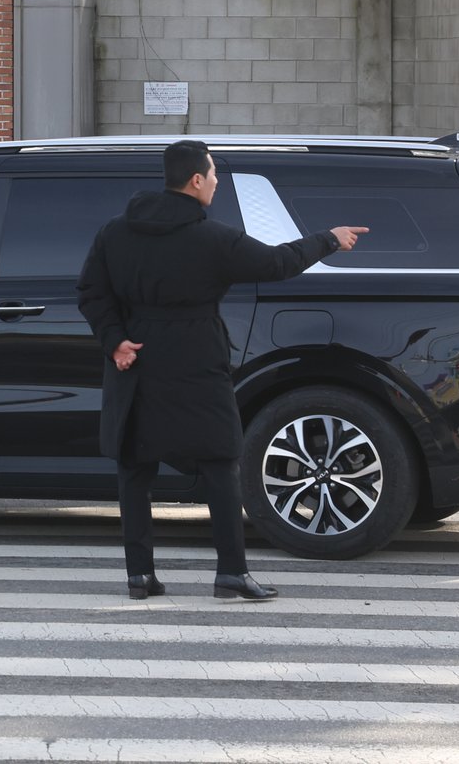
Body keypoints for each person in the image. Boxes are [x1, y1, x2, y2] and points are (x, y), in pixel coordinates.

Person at [77, 139, 368, 603]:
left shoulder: (115, 232)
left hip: (137, 360)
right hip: (196, 361)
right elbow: (278, 263)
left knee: (135, 467)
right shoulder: (213, 238)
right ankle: (231, 573)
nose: (215, 182)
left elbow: (91, 291)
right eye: (212, 175)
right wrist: (329, 239)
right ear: (195, 180)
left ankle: (139, 576)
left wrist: (114, 340)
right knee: (219, 463)